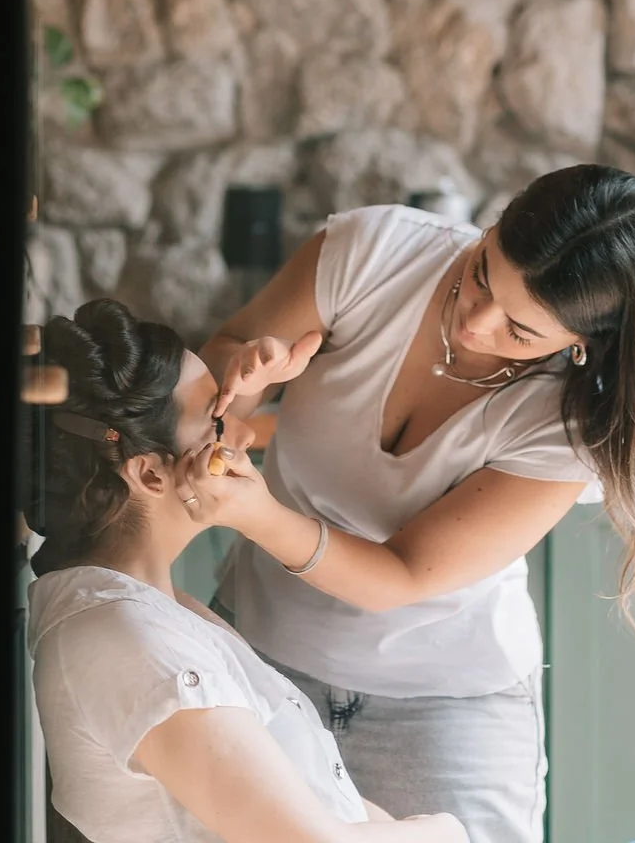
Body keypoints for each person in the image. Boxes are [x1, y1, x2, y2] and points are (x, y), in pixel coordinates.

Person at [188, 165, 635, 843]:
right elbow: (223, 360)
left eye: (520, 330)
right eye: (484, 271)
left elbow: (398, 576)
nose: (475, 320)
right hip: (260, 661)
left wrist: (253, 512)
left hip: (447, 712)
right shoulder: (371, 252)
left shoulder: (574, 425)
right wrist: (244, 385)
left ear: (583, 341)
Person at [24, 297, 468, 843]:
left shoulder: (158, 612)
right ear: (151, 475)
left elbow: (313, 801)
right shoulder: (130, 643)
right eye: (216, 419)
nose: (243, 436)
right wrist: (446, 830)